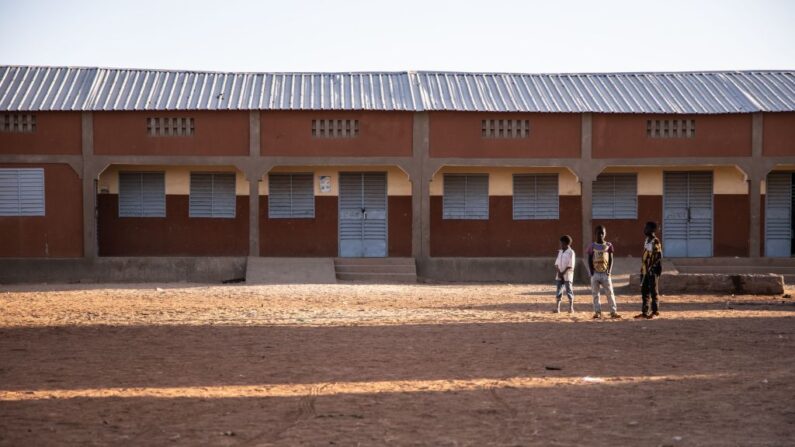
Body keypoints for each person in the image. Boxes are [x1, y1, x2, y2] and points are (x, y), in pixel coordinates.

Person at [588, 225, 621, 319]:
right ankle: (597, 312)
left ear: (605, 234)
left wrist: (609, 271)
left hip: (605, 274)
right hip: (595, 273)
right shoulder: (592, 246)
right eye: (599, 233)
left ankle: (613, 311)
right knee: (595, 294)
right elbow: (589, 259)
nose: (601, 235)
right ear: (595, 234)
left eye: (602, 233)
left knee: (610, 292)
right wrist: (591, 272)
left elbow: (611, 259)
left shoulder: (608, 245)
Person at [635, 221, 663, 319]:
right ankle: (645, 312)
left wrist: (652, 267)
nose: (644, 230)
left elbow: (658, 256)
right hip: (644, 270)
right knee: (645, 291)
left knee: (653, 291)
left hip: (652, 271)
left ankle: (655, 312)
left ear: (651, 230)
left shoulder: (655, 241)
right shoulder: (647, 240)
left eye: (646, 228)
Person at [553, 235, 575, 313]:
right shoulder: (560, 252)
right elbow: (556, 263)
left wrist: (563, 273)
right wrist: (559, 272)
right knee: (559, 291)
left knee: (569, 290)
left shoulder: (571, 252)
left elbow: (570, 265)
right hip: (559, 275)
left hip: (567, 275)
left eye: (561, 243)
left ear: (566, 243)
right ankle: (557, 308)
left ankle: (571, 307)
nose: (560, 245)